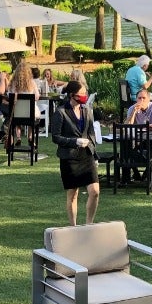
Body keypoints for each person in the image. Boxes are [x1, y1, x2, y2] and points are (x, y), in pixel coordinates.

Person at [50, 80, 100, 226]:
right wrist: (74, 141)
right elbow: (55, 137)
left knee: (95, 191)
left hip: (86, 156)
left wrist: (93, 151)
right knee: (73, 194)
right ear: (72, 95)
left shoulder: (87, 110)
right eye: (82, 94)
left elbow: (91, 133)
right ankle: (73, 226)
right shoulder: (61, 112)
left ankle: (89, 223)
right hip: (69, 157)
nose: (85, 96)